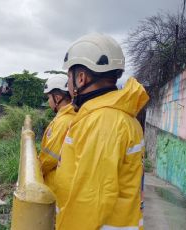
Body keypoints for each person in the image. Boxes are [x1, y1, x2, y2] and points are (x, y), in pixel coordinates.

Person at [54, 33, 149, 230]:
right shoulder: (118, 117)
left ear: (81, 78)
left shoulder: (103, 122)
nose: (68, 86)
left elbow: (90, 201)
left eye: (68, 77)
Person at [38, 74, 75, 193]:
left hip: (56, 184)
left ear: (57, 98)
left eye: (49, 97)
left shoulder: (63, 121)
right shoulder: (70, 116)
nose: (48, 101)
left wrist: (37, 171)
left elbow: (50, 157)